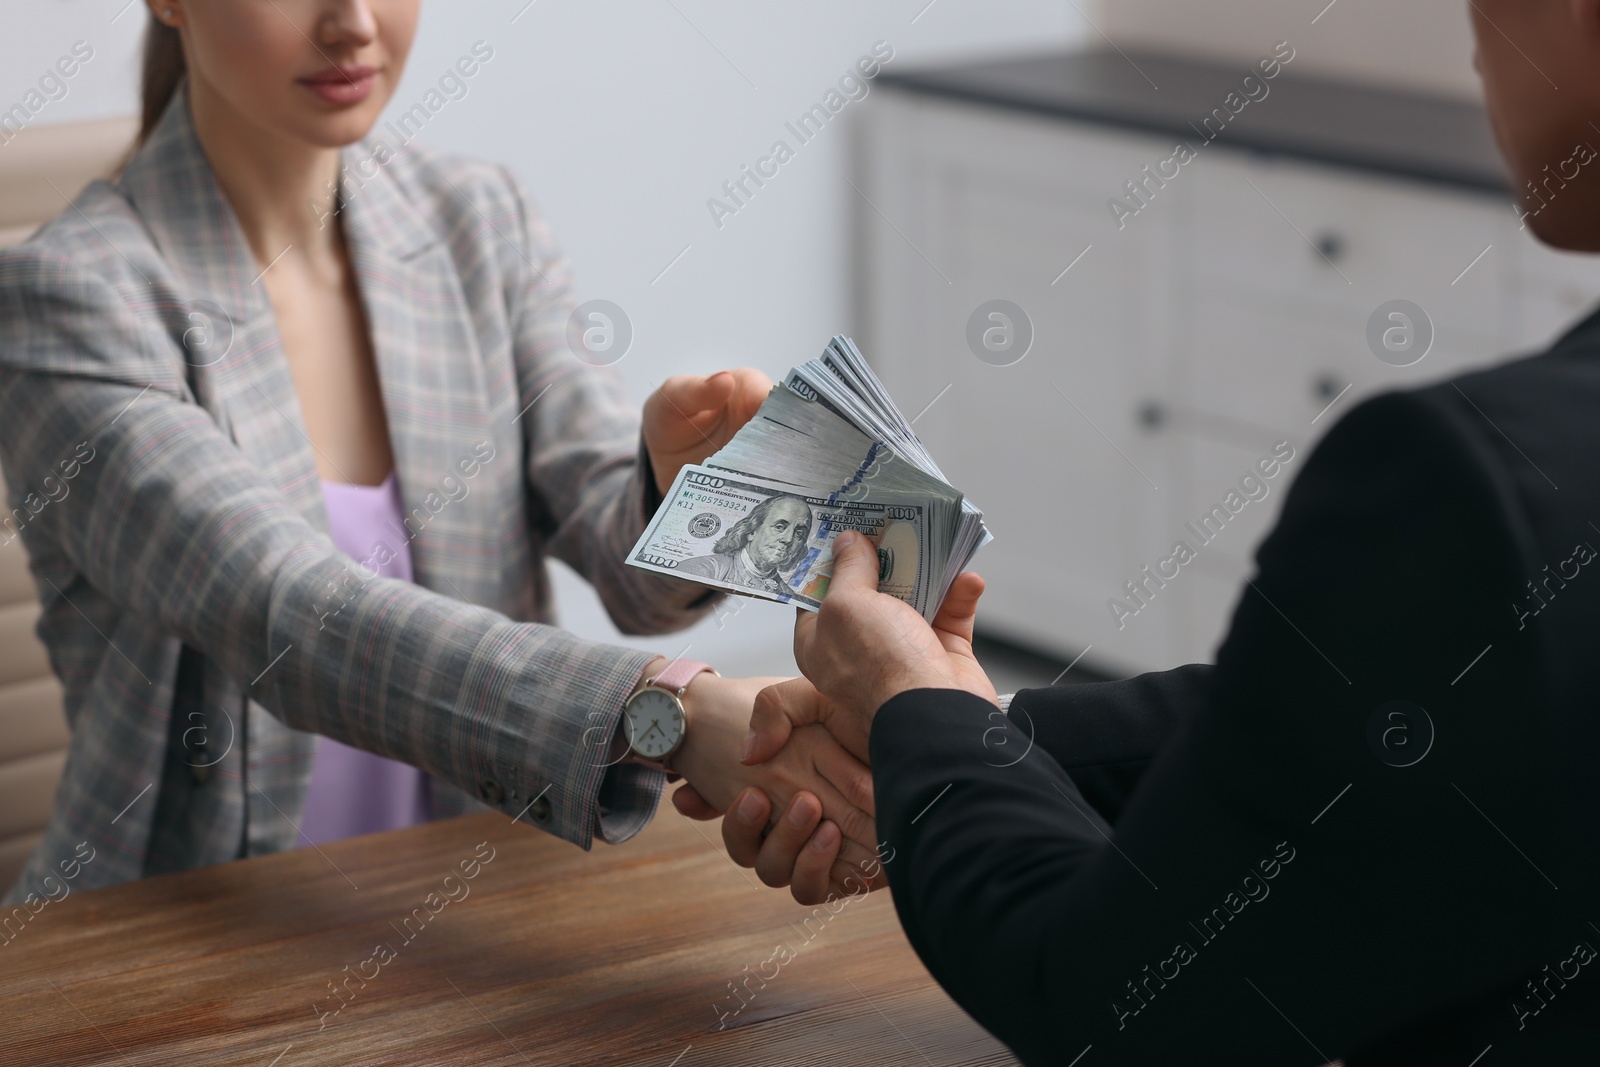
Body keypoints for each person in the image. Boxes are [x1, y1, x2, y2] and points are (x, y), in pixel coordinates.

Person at [718, 1, 1600, 1061]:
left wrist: (910, 703)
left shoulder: (1459, 478)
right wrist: (959, 727)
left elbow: (1102, 999)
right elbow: (1362, 719)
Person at [0, 0, 879, 905]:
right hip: (178, 938)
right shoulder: (67, 300)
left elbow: (621, 558)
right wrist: (668, 715)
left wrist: (673, 485)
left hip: (480, 906)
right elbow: (291, 619)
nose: (351, 22)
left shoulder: (477, 219)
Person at [676, 495, 813, 596]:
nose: (788, 539)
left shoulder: (787, 595)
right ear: (752, 531)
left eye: (799, 534)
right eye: (779, 527)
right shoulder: (702, 569)